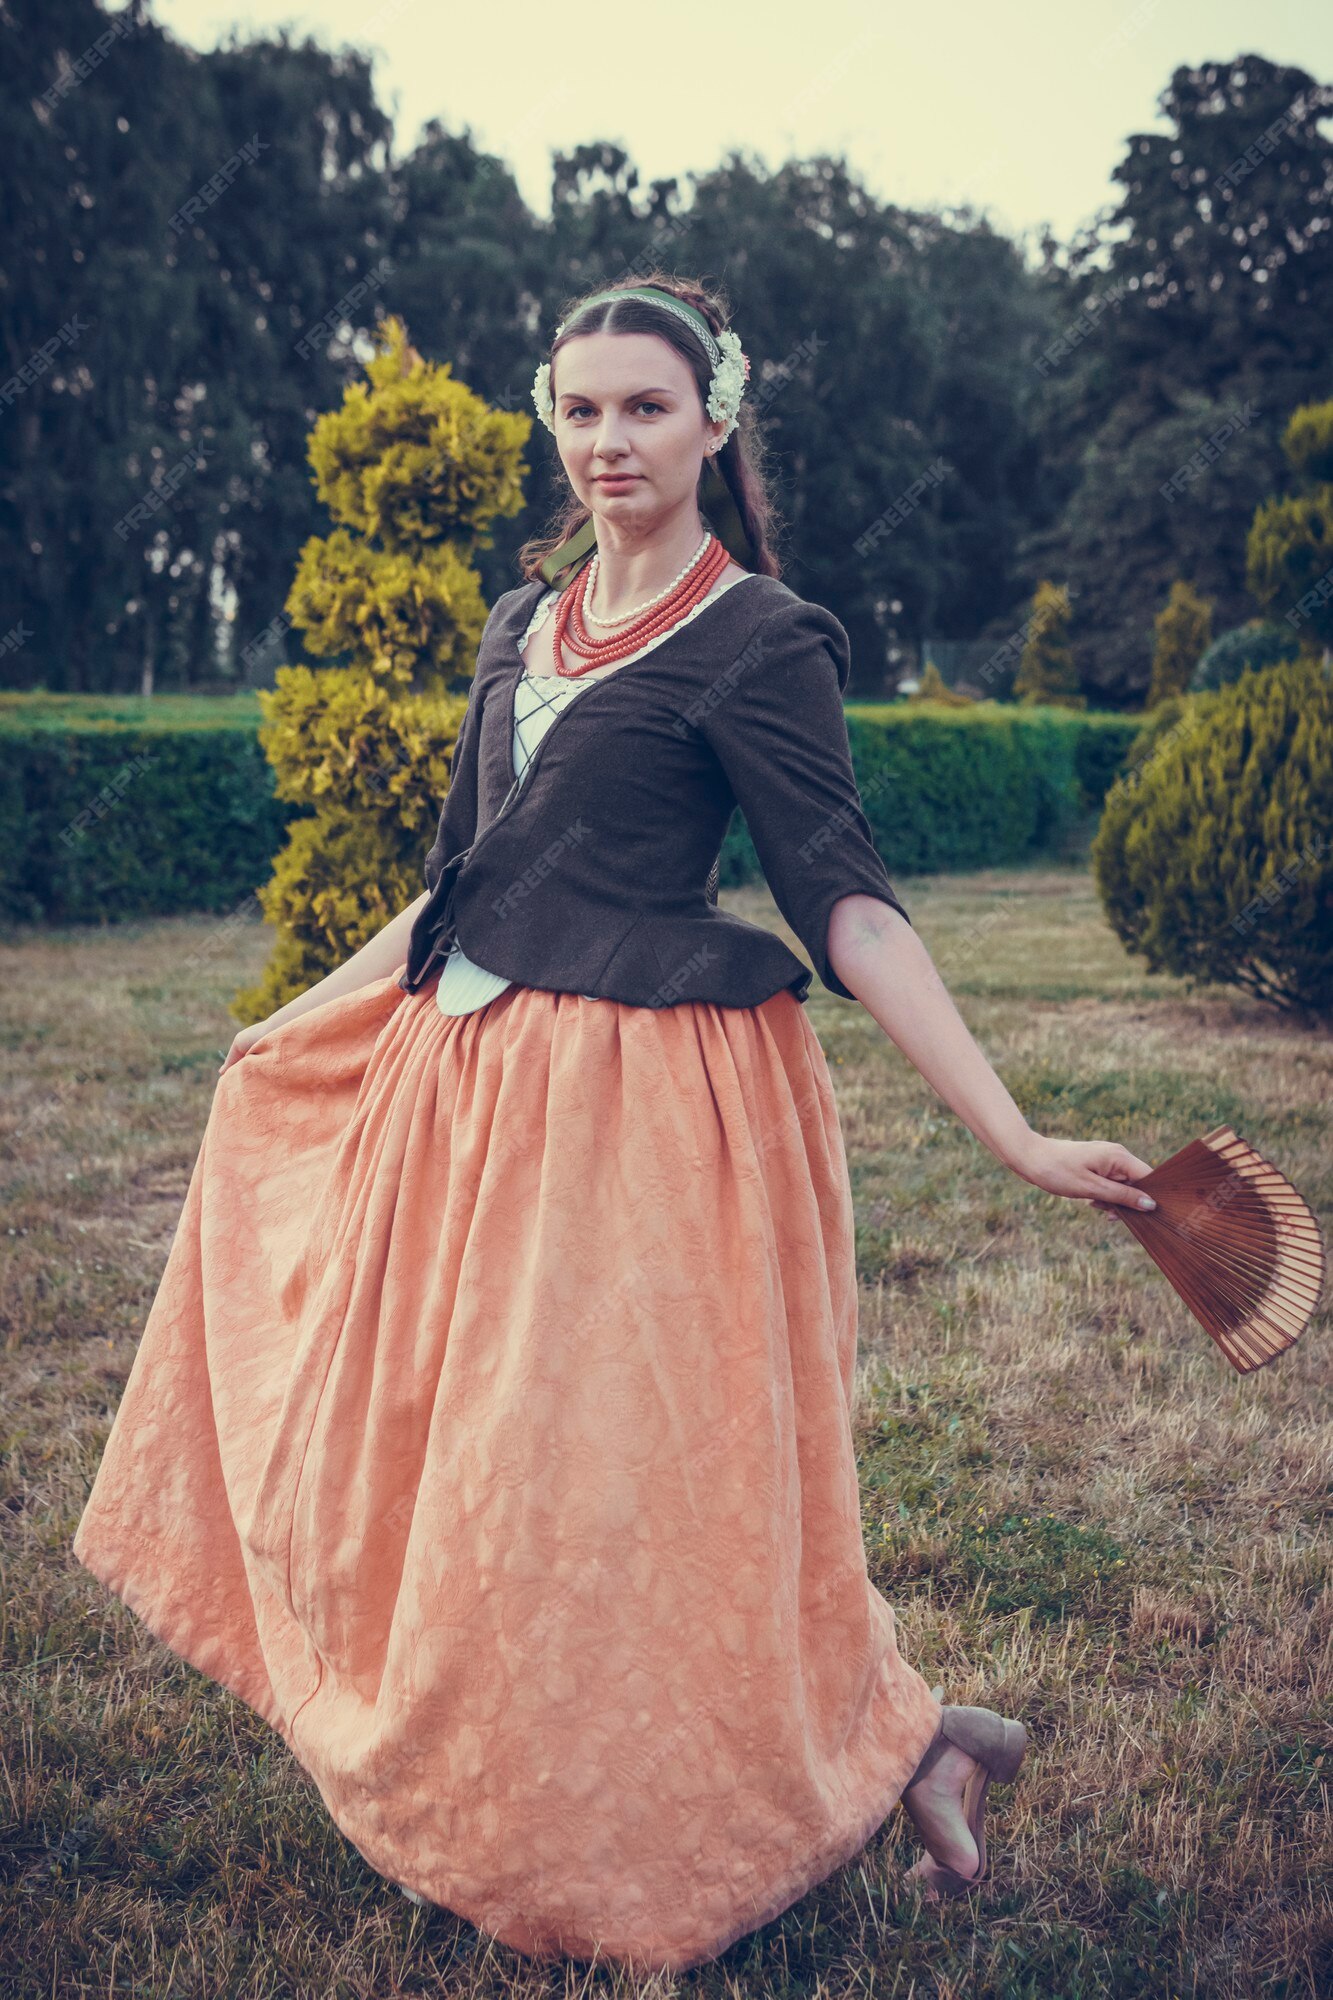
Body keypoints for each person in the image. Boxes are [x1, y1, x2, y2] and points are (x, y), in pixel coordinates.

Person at [72, 276, 1159, 1975]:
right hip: (464, 1096)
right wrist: (293, 1030)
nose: (606, 444)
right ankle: (893, 1743)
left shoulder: (761, 641)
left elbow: (848, 910)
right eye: (577, 410)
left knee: (612, 1497)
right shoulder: (525, 627)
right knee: (461, 1480)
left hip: (634, 1122)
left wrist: (1011, 1132)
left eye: (642, 408)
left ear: (715, 422)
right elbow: (461, 884)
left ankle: (800, 1773)